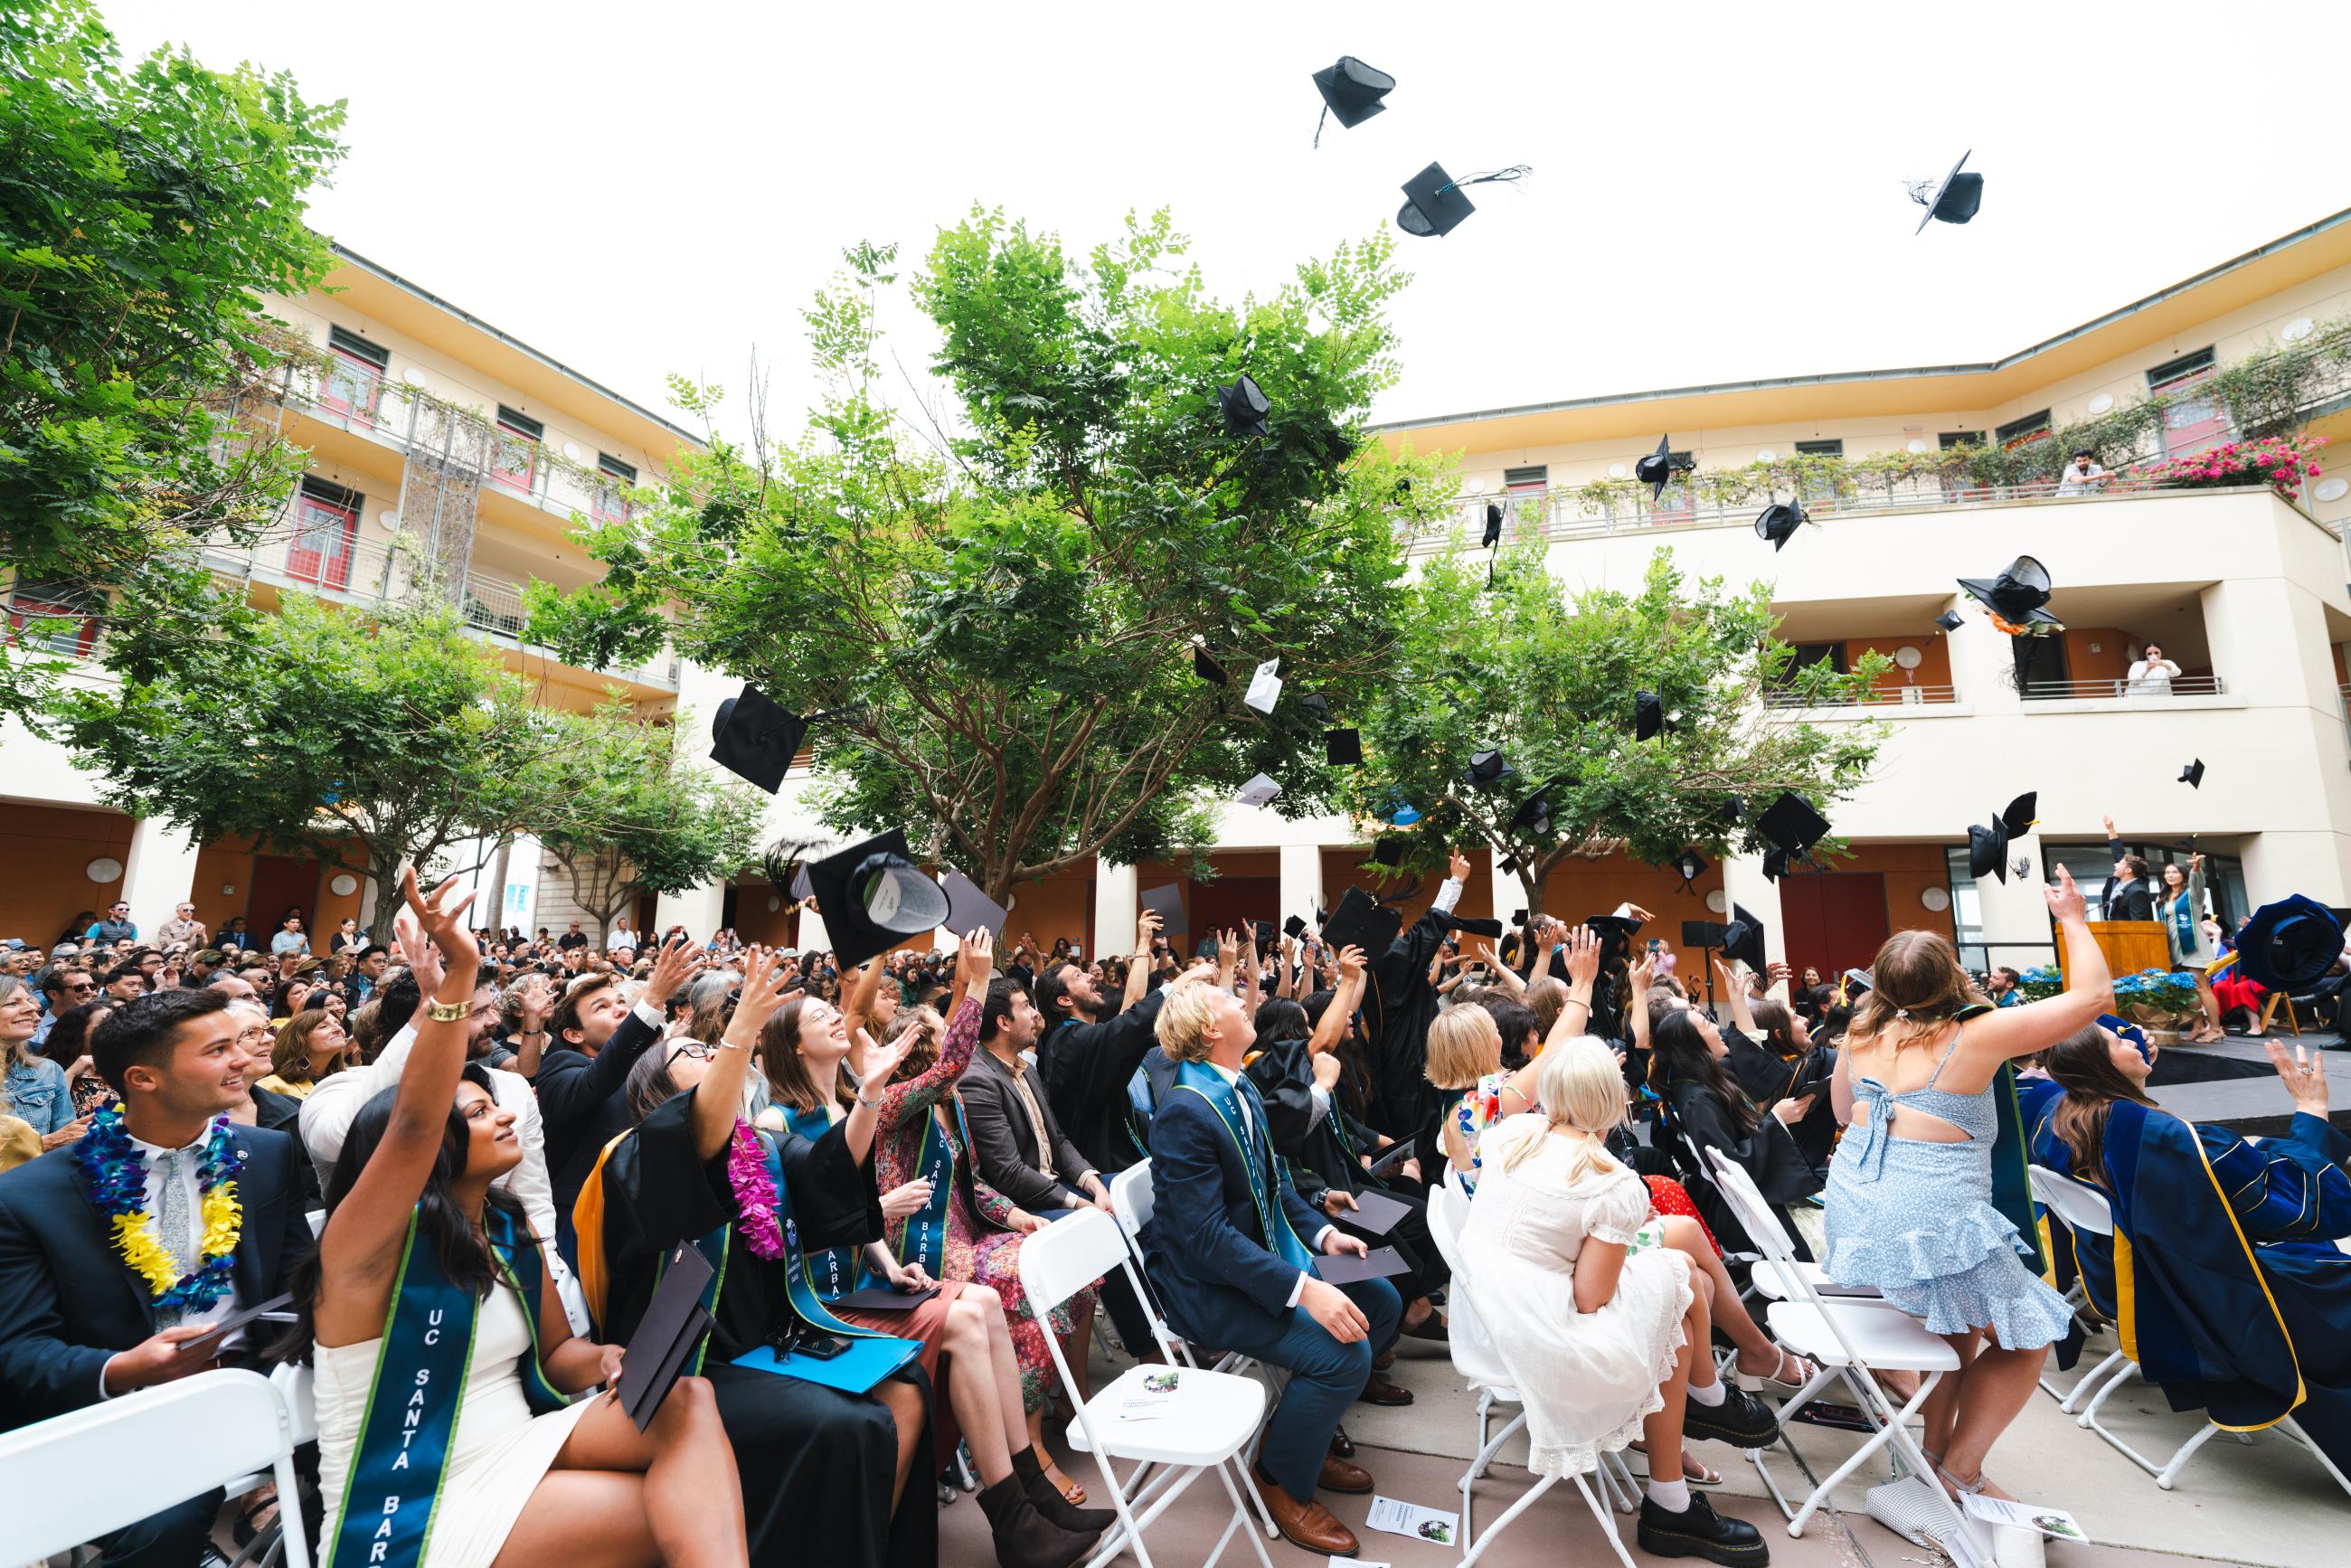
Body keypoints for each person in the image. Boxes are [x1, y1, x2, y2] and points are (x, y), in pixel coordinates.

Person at [288, 869, 745, 1568]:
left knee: (688, 1398)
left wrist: (609, 1357)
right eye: (474, 1113)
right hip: (416, 1495)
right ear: (430, 1148)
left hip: (521, 1441)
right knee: (663, 1516)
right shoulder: (365, 1249)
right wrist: (460, 975)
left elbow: (561, 1359)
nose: (505, 1111)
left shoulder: (503, 1231)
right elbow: (411, 1120)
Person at [573, 948, 941, 1568]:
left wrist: (870, 1093)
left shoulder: (760, 1148)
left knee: (906, 1387)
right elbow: (696, 1134)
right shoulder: (635, 1156)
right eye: (693, 1052)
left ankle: (859, 1547)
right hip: (691, 1367)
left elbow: (829, 1177)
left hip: (769, 1341)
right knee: (843, 1425)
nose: (713, 1055)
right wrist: (743, 1026)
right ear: (657, 1087)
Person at [1823, 867, 2111, 1502]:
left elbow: (1845, 1115)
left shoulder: (1863, 1028)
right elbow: (2093, 999)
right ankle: (1960, 1472)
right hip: (1930, 1219)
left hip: (1859, 1210)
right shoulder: (1976, 1034)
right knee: (2031, 1336)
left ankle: (1932, 1457)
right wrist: (2070, 919)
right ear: (1952, 977)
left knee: (1955, 1329)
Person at [0, 987, 312, 1566]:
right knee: (166, 1525)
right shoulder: (28, 1197)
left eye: (239, 1043)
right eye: (219, 1050)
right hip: (124, 1414)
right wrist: (122, 1368)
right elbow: (17, 1353)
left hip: (259, 1390)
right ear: (144, 1079)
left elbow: (298, 1285)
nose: (243, 1059)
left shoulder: (265, 1154)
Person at [1460, 1039, 1779, 1564]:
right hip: (1544, 1338)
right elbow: (1591, 1298)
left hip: (1492, 1320)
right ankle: (1685, 1459)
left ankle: (1692, 1440)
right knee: (1682, 1279)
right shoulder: (1610, 1184)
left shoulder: (1512, 1135)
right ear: (1615, 1099)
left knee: (1680, 1271)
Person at [820, 940, 1100, 1508]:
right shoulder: (893, 1102)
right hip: (917, 1250)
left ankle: (1032, 1415)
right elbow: (953, 1058)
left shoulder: (953, 1107)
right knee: (1027, 1285)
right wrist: (975, 983)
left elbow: (975, 1188)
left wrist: (1022, 1217)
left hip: (967, 1234)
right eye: (935, 1030)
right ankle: (1026, 1445)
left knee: (1072, 1272)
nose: (948, 1039)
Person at [1142, 975, 1399, 1557]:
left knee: (1380, 1297)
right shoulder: (1185, 1111)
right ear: (1211, 1031)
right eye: (1231, 999)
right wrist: (1305, 1289)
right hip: (1207, 1292)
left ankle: (1303, 1433)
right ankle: (1279, 1479)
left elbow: (1274, 1181)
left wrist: (1323, 1233)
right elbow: (1206, 1238)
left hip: (1264, 1258)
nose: (1244, 1000)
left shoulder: (1238, 1085)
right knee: (1344, 1353)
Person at [2025, 1024, 2351, 1478]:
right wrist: (2312, 1112)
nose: (2132, 1042)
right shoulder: (2172, 1142)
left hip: (2138, 1291)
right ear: (2100, 1067)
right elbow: (2304, 1207)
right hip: (2218, 1310)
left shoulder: (2059, 1121)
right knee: (2327, 1260)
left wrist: (2134, 1087)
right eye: (2119, 1043)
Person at [538, 940, 701, 1263]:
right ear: (573, 1034)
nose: (620, 1008)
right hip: (588, 1219)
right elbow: (599, 1078)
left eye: (621, 1001)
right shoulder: (560, 1067)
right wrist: (652, 999)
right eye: (601, 1007)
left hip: (652, 1213)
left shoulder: (646, 1066)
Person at [1035, 908, 1166, 1176]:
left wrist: (1143, 941)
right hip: (1099, 1177)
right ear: (1064, 1000)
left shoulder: (1088, 1034)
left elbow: (1133, 1003)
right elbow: (1133, 1021)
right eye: (1078, 976)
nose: (1091, 976)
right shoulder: (1067, 1042)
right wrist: (1174, 987)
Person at [255, 1006, 356, 1098]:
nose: (338, 1029)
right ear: (299, 1040)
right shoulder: (271, 1086)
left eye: (338, 1024)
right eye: (323, 1027)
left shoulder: (348, 1078)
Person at [2097, 818, 2156, 922]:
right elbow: (2118, 852)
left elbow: (2138, 922)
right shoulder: (2117, 882)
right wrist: (2111, 829)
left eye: (2120, 863)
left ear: (2128, 870)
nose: (2115, 864)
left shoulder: (2138, 891)